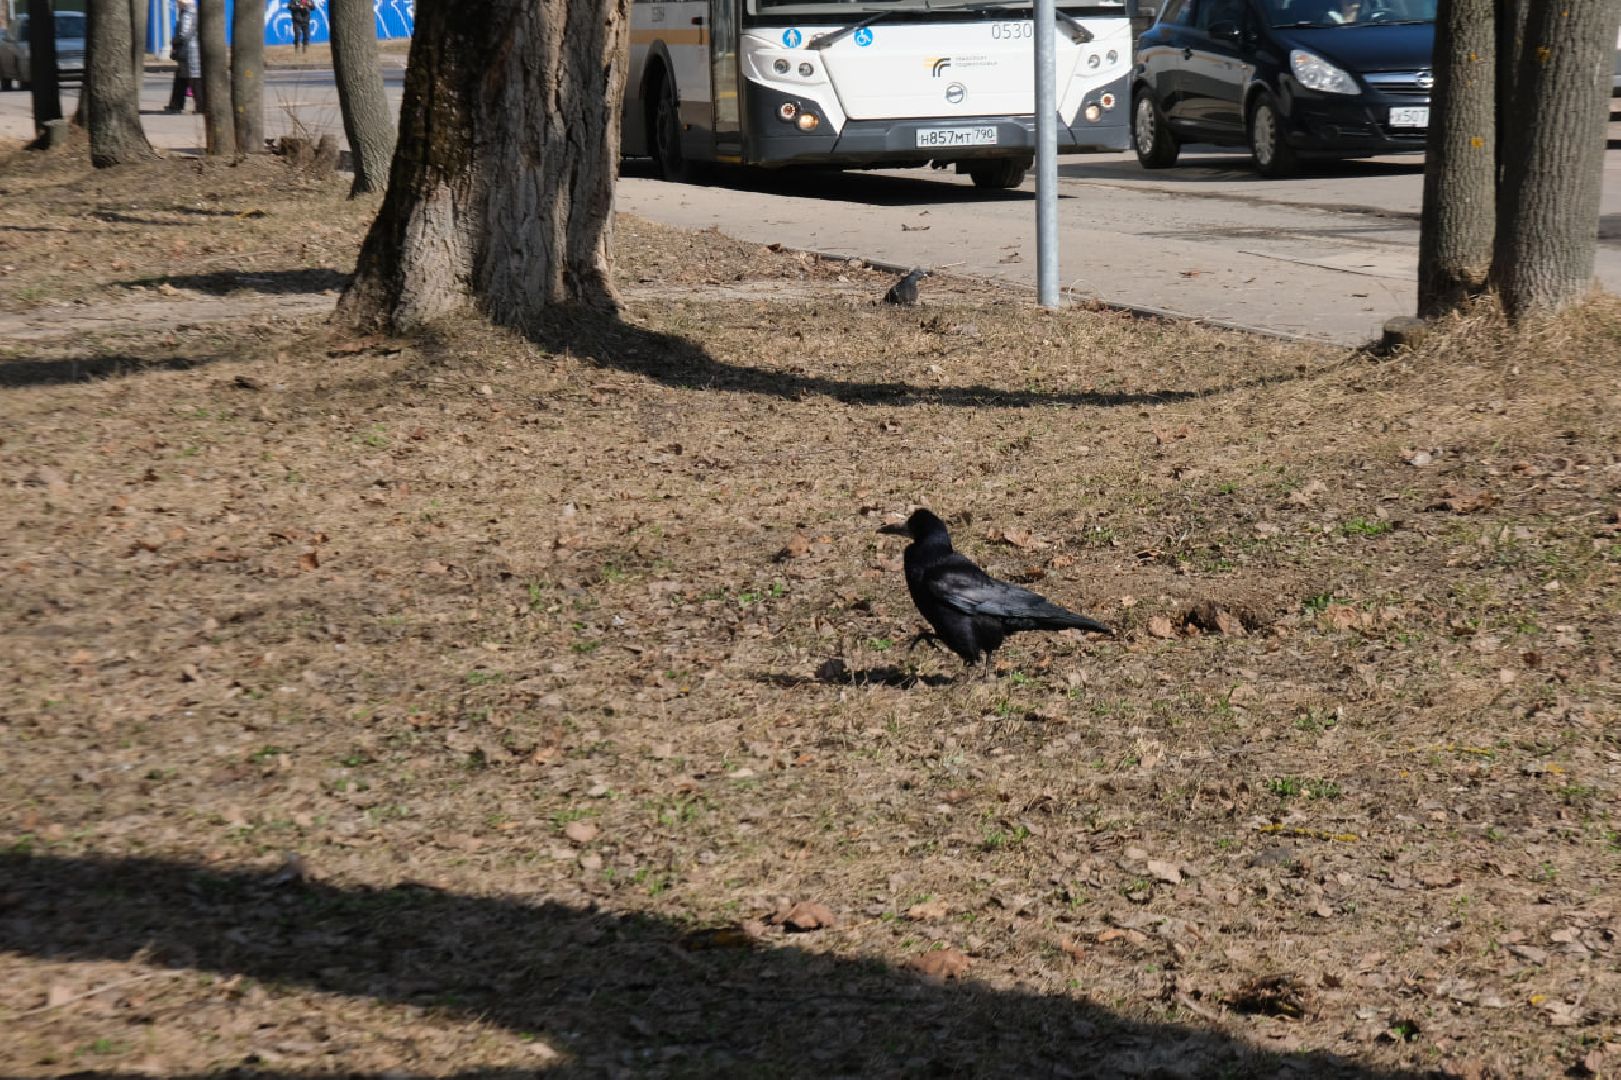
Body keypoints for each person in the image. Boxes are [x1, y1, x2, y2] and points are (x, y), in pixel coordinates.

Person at [164, 0, 201, 114]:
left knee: (193, 79)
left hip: (188, 51)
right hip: (191, 50)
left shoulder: (187, 13)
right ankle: (176, 104)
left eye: (178, 2)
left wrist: (174, 41)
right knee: (182, 78)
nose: (177, 4)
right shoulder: (194, 11)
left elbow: (184, 34)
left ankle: (200, 105)